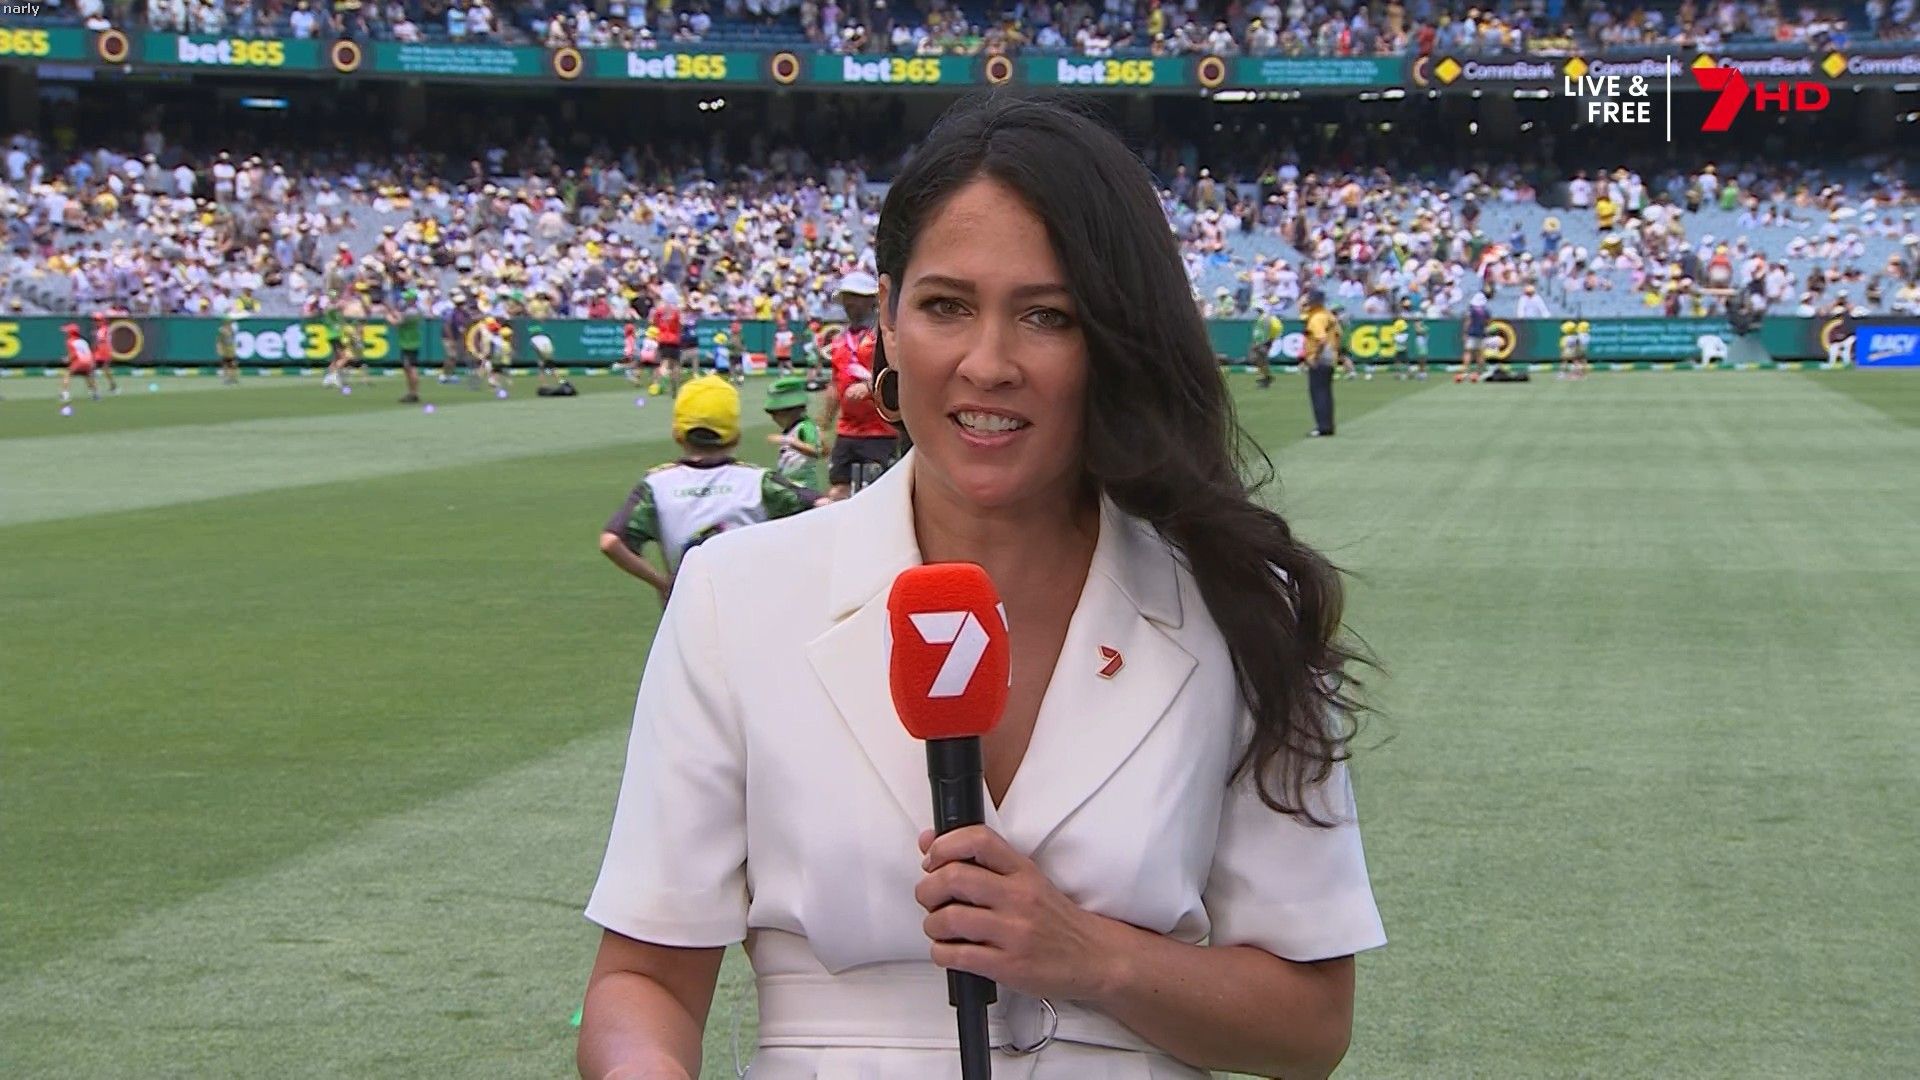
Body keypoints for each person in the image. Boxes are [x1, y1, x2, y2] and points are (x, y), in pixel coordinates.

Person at [580, 97, 1383, 1080]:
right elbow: (646, 980)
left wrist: (1092, 956)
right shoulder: (733, 594)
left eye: (1047, 316)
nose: (988, 363)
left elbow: (1310, 1026)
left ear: (1115, 335)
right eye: (946, 306)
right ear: (887, 317)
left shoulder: (1240, 608)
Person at [597, 375, 825, 608]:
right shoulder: (758, 481)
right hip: (752, 612)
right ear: (735, 436)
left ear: (677, 434)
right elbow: (823, 506)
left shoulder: (656, 485)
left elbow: (611, 542)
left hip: (688, 613)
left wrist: (663, 584)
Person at [824, 270, 898, 500]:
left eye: (856, 296)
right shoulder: (839, 342)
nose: (850, 303)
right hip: (846, 431)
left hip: (881, 431)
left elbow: (902, 373)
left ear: (872, 300)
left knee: (879, 495)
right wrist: (823, 425)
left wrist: (869, 386)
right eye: (847, 297)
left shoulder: (888, 336)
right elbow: (835, 385)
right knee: (839, 490)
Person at [764, 375, 825, 492]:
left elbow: (816, 451)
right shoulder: (790, 428)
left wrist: (788, 440)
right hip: (789, 483)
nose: (773, 418)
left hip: (804, 485)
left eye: (775, 414)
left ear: (792, 410)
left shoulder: (805, 426)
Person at [1301, 288, 1340, 437]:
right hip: (1330, 356)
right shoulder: (1328, 315)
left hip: (1320, 358)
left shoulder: (1316, 318)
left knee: (1318, 393)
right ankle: (1327, 425)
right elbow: (1338, 334)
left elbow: (1321, 339)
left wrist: (1315, 357)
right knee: (1326, 393)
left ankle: (1323, 427)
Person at [392, 289, 425, 403]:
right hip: (414, 341)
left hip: (407, 342)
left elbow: (398, 323)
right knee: (411, 368)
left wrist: (389, 317)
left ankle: (413, 393)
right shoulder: (418, 311)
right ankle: (413, 392)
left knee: (410, 369)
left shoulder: (410, 312)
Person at [59, 323, 100, 404]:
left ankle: (65, 395)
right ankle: (95, 394)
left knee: (67, 374)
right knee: (88, 377)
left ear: (70, 333)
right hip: (89, 361)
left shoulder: (70, 341)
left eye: (67, 331)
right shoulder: (83, 341)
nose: (66, 333)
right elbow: (89, 353)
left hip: (80, 361)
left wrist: (67, 359)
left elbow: (73, 354)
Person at [89, 312, 120, 395]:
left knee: (104, 369)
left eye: (97, 320)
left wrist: (93, 349)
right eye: (95, 320)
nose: (96, 322)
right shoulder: (100, 330)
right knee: (94, 369)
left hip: (103, 350)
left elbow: (99, 341)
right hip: (101, 350)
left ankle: (112, 386)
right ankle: (96, 388)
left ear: (102, 320)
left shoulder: (103, 329)